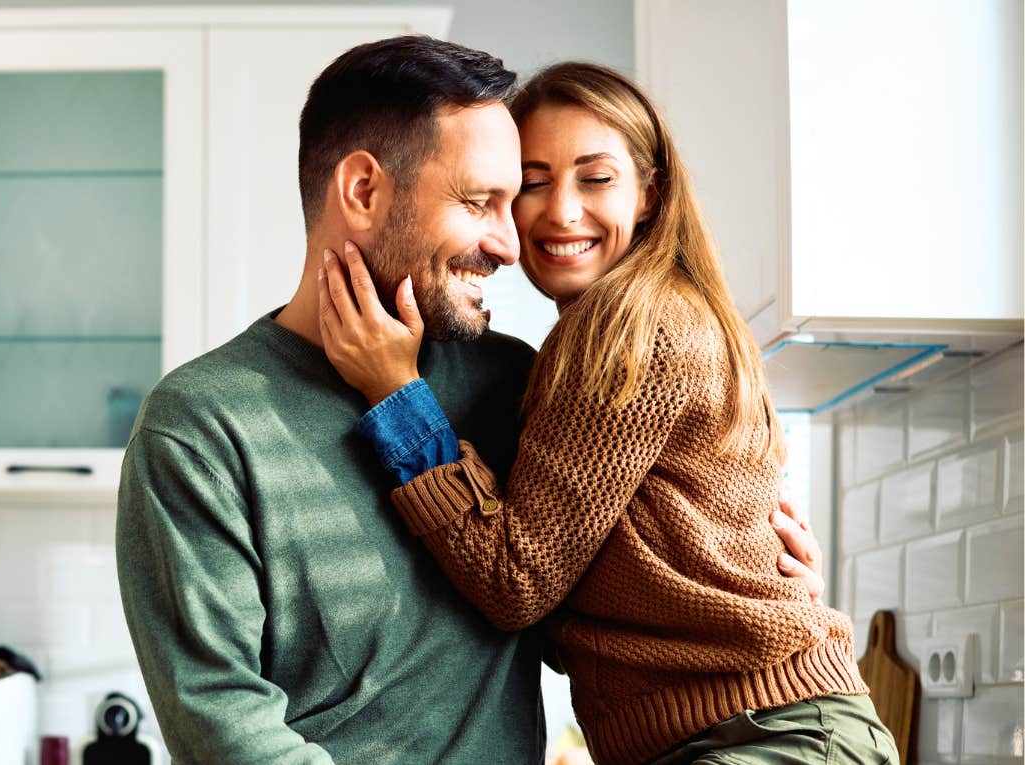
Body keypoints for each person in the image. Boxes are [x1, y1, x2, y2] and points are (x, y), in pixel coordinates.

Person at [116, 38, 826, 763]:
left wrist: (753, 585)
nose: (511, 243)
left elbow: (573, 604)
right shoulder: (200, 428)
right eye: (482, 201)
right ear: (363, 192)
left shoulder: (517, 381)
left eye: (507, 202)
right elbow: (225, 725)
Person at [315, 62, 895, 764]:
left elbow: (516, 582)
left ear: (649, 194)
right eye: (533, 181)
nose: (561, 210)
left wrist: (395, 394)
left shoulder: (629, 328)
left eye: (596, 178)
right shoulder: (637, 321)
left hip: (769, 737)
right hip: (762, 731)